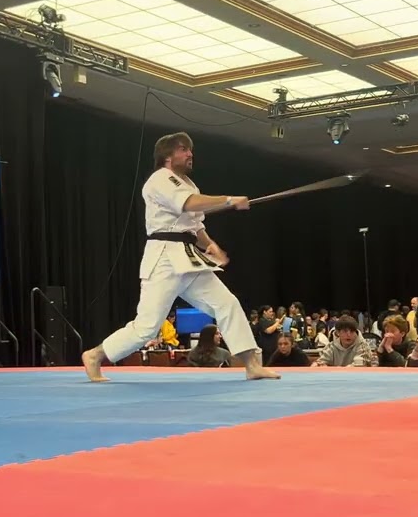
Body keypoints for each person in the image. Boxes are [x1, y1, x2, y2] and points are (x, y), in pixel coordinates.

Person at [81, 133, 279, 382]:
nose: (190, 154)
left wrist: (211, 245)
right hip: (164, 256)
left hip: (188, 257)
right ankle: (95, 355)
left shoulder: (189, 185)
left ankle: (251, 364)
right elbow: (189, 204)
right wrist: (229, 200)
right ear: (167, 155)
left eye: (190, 150)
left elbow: (194, 227)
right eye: (183, 149)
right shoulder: (160, 179)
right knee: (147, 328)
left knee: (227, 303)